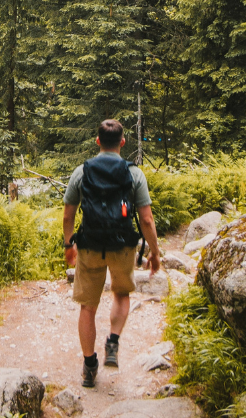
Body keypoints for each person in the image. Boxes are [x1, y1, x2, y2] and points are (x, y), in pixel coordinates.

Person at [62, 119, 161, 388]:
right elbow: (147, 220)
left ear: (97, 142)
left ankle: (89, 365)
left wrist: (69, 245)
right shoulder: (134, 174)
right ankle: (113, 341)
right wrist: (154, 252)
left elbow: (68, 214)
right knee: (121, 293)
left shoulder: (81, 172)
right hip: (122, 246)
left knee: (88, 307)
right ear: (122, 142)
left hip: (91, 245)